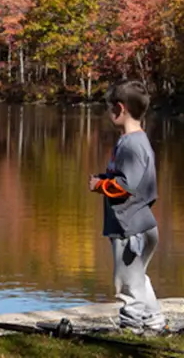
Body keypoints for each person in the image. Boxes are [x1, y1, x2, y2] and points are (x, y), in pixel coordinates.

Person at [88, 80, 166, 332]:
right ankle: (153, 320)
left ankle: (131, 327)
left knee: (127, 282)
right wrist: (104, 178)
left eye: (110, 107)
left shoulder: (132, 145)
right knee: (138, 278)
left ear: (120, 109)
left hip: (130, 228)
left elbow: (125, 186)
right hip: (141, 224)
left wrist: (100, 185)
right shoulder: (135, 141)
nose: (108, 112)